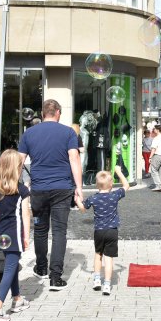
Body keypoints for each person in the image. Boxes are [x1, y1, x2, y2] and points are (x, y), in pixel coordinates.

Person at [18, 99, 82, 291]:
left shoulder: (29, 133)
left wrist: (13, 185)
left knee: (40, 229)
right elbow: (74, 158)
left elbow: (19, 161)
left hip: (39, 189)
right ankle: (56, 277)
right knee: (60, 231)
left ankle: (41, 267)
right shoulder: (68, 133)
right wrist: (79, 187)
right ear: (58, 113)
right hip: (62, 188)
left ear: (42, 113)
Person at [0, 149, 32, 321]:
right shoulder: (22, 190)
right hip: (15, 233)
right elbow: (26, 215)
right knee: (10, 267)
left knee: (11, 265)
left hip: (1, 234)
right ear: (17, 168)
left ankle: (17, 298)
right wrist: (26, 237)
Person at [75, 164, 129, 296]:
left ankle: (97, 280)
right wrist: (118, 172)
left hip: (99, 231)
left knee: (98, 255)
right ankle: (107, 285)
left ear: (97, 185)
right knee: (108, 258)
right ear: (111, 185)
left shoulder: (93, 198)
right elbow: (126, 185)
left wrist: (77, 201)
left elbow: (83, 209)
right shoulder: (115, 195)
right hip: (112, 231)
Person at [148, 125, 161, 192]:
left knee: (153, 170)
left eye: (154, 129)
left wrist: (150, 157)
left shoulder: (156, 138)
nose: (153, 130)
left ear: (157, 130)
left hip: (157, 156)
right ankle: (160, 185)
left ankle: (158, 185)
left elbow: (153, 149)